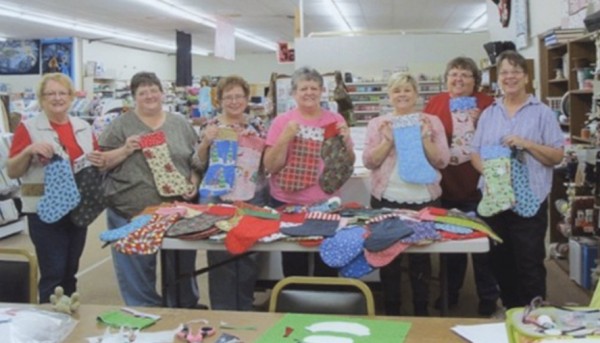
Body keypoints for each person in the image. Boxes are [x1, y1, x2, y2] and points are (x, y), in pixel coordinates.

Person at [89, 71, 200, 307]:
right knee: (136, 271)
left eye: (153, 90)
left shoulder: (179, 123)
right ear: (133, 97)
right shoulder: (120, 126)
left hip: (177, 211)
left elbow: (195, 160)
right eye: (142, 92)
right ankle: (146, 312)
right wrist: (125, 150)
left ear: (162, 93)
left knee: (180, 267)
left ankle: (181, 309)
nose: (149, 96)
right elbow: (100, 163)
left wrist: (194, 181)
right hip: (130, 210)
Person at [471, 51, 564, 309]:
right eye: (504, 72)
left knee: (530, 262)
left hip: (530, 200)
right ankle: (512, 313)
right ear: (498, 78)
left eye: (515, 72)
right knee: (500, 261)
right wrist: (490, 174)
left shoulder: (542, 113)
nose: (509, 77)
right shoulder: (489, 114)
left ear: (526, 77)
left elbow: (556, 155)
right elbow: (475, 152)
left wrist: (526, 143)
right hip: (494, 200)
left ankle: (534, 318)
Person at [363, 72, 449, 316]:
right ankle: (392, 310)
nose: (402, 95)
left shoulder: (431, 122)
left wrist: (424, 138)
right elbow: (369, 161)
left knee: (421, 258)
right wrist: (387, 141)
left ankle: (421, 311)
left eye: (407, 90)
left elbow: (442, 161)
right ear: (389, 96)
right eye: (397, 90)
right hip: (387, 199)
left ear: (416, 94)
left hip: (424, 198)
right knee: (387, 258)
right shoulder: (378, 124)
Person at [7, 73, 97, 303]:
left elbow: (95, 159)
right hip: (44, 210)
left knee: (70, 269)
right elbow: (12, 171)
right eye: (50, 93)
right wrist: (28, 151)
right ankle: (50, 324)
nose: (57, 98)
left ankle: (69, 318)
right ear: (41, 98)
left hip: (78, 208)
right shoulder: (29, 128)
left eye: (62, 93)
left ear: (71, 96)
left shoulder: (83, 127)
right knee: (53, 271)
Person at [424, 57, 500, 316]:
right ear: (446, 79)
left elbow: (499, 143)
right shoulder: (435, 103)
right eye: (454, 74)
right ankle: (450, 292)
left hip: (479, 185)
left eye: (465, 75)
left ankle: (488, 296)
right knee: (450, 246)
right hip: (445, 186)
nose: (459, 79)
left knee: (484, 247)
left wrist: (481, 124)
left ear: (475, 80)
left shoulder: (488, 104)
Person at [263, 66, 354, 277]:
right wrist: (286, 136)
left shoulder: (335, 120)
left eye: (314, 88)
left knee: (327, 259)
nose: (309, 92)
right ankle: (296, 304)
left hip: (327, 202)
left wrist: (346, 142)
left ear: (322, 91)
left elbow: (346, 163)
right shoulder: (282, 122)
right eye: (304, 88)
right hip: (288, 202)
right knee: (295, 262)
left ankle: (324, 306)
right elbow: (270, 166)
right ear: (294, 93)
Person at [196, 75, 268, 311]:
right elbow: (197, 163)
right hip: (219, 198)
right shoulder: (210, 126)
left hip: (252, 197)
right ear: (220, 100)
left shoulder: (257, 125)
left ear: (247, 99)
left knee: (248, 256)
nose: (234, 101)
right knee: (220, 255)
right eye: (228, 97)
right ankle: (223, 310)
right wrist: (206, 143)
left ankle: (245, 308)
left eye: (239, 96)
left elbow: (267, 162)